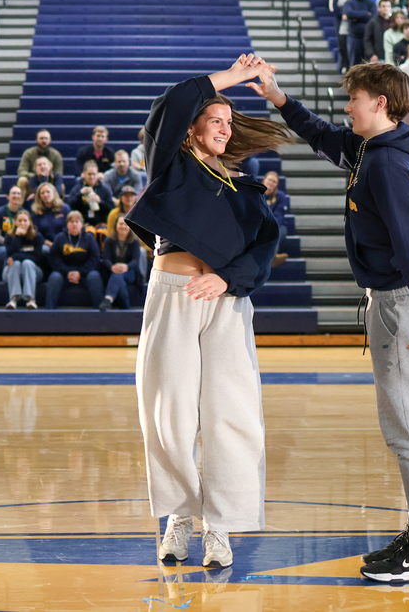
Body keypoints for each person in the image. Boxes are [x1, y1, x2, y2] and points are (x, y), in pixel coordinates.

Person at [256, 59, 409, 583]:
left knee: (407, 426)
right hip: (389, 300)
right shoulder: (372, 149)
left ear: (379, 103)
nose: (347, 107)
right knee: (402, 424)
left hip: (401, 304)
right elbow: (322, 135)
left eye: (354, 98)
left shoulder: (386, 165)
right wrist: (278, 97)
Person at [122, 56, 289, 570]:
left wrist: (226, 278)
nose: (225, 126)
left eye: (230, 121)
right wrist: (232, 79)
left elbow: (264, 250)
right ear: (191, 129)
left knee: (230, 415)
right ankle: (178, 516)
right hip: (173, 291)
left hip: (227, 301)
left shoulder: (249, 193)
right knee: (168, 413)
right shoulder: (171, 164)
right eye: (215, 119)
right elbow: (172, 101)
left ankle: (219, 526)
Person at [45, 210, 103, 309]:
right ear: (67, 224)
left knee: (94, 276)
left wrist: (80, 272)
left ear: (82, 224)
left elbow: (95, 257)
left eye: (77, 222)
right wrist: (67, 272)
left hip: (85, 272)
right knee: (54, 277)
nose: (74, 224)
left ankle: (100, 311)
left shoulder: (89, 238)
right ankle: (49, 311)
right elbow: (53, 257)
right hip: (64, 272)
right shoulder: (60, 237)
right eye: (71, 222)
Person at [2, 209, 43, 310]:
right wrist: (17, 236)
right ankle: (13, 299)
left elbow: (37, 257)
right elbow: (10, 254)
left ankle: (31, 299)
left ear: (30, 222)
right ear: (15, 222)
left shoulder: (37, 236)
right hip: (11, 272)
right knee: (15, 264)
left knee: (27, 263)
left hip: (33, 272)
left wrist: (17, 257)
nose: (22, 223)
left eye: (25, 220)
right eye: (19, 221)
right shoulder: (9, 236)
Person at [100, 215, 142, 310]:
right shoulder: (109, 240)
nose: (123, 226)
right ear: (116, 226)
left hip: (129, 272)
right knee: (120, 282)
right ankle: (125, 309)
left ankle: (108, 298)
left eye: (126, 224)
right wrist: (112, 267)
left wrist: (126, 267)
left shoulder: (135, 241)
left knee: (117, 275)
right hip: (112, 271)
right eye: (121, 224)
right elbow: (106, 259)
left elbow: (135, 261)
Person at [17, 129, 63, 194]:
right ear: (36, 140)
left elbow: (59, 174)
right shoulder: (28, 153)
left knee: (62, 186)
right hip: (32, 181)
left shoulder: (56, 155)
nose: (44, 141)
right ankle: (20, 203)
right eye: (41, 138)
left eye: (46, 138)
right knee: (22, 180)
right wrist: (37, 176)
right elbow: (21, 171)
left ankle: (57, 203)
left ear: (50, 140)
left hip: (50, 181)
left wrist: (46, 176)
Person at [263, 171, 290, 267]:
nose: (271, 183)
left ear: (277, 185)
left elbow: (279, 216)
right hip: (259, 225)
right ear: (264, 180)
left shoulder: (280, 196)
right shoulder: (257, 193)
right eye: (269, 179)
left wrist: (269, 226)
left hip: (278, 225)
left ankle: (273, 257)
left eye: (274, 182)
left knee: (276, 231)